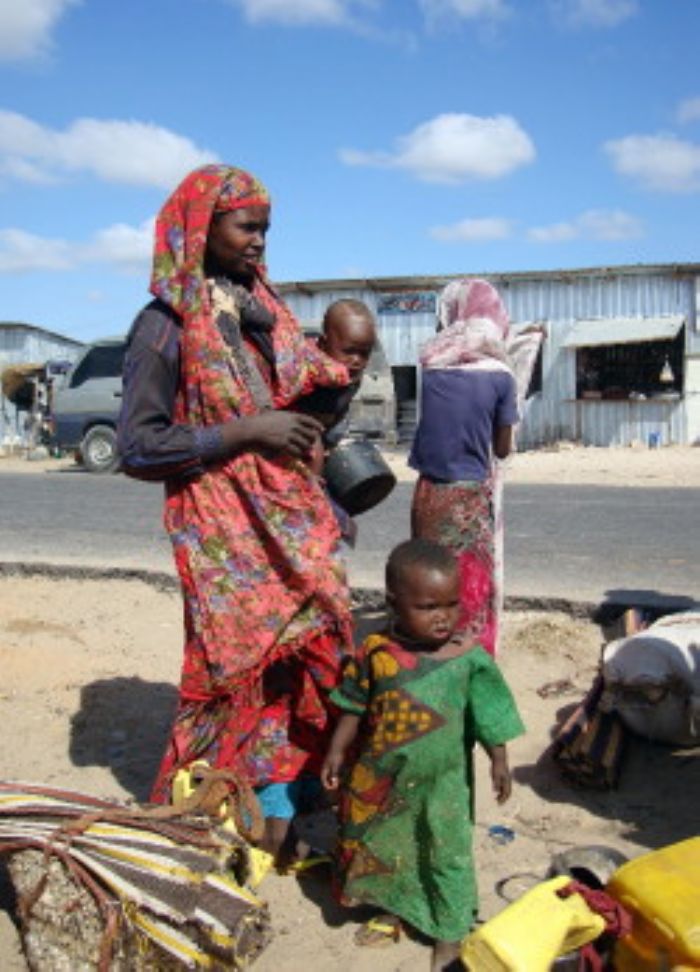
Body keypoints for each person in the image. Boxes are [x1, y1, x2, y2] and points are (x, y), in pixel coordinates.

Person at [117, 164, 354, 863]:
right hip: (221, 534)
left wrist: (334, 389)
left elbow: (301, 405)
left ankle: (282, 807)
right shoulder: (164, 324)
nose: (259, 242)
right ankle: (206, 821)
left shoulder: (261, 314)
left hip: (290, 526)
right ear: (200, 227)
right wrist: (246, 433)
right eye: (246, 226)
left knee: (307, 664)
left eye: (265, 230)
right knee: (230, 678)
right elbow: (137, 445)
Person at [321, 538, 524, 972]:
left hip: (444, 782)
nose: (444, 617)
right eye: (429, 607)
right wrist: (336, 752)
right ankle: (393, 908)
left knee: (446, 851)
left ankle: (449, 933)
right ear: (395, 603)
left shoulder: (468, 659)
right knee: (385, 843)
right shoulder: (375, 653)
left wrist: (499, 759)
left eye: (452, 605)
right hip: (384, 776)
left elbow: (490, 712)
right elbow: (354, 706)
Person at [409, 278, 543, 657]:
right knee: (469, 578)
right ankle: (470, 653)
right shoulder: (501, 376)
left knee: (430, 572)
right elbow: (502, 449)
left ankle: (426, 648)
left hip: (428, 491)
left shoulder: (431, 366)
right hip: (468, 494)